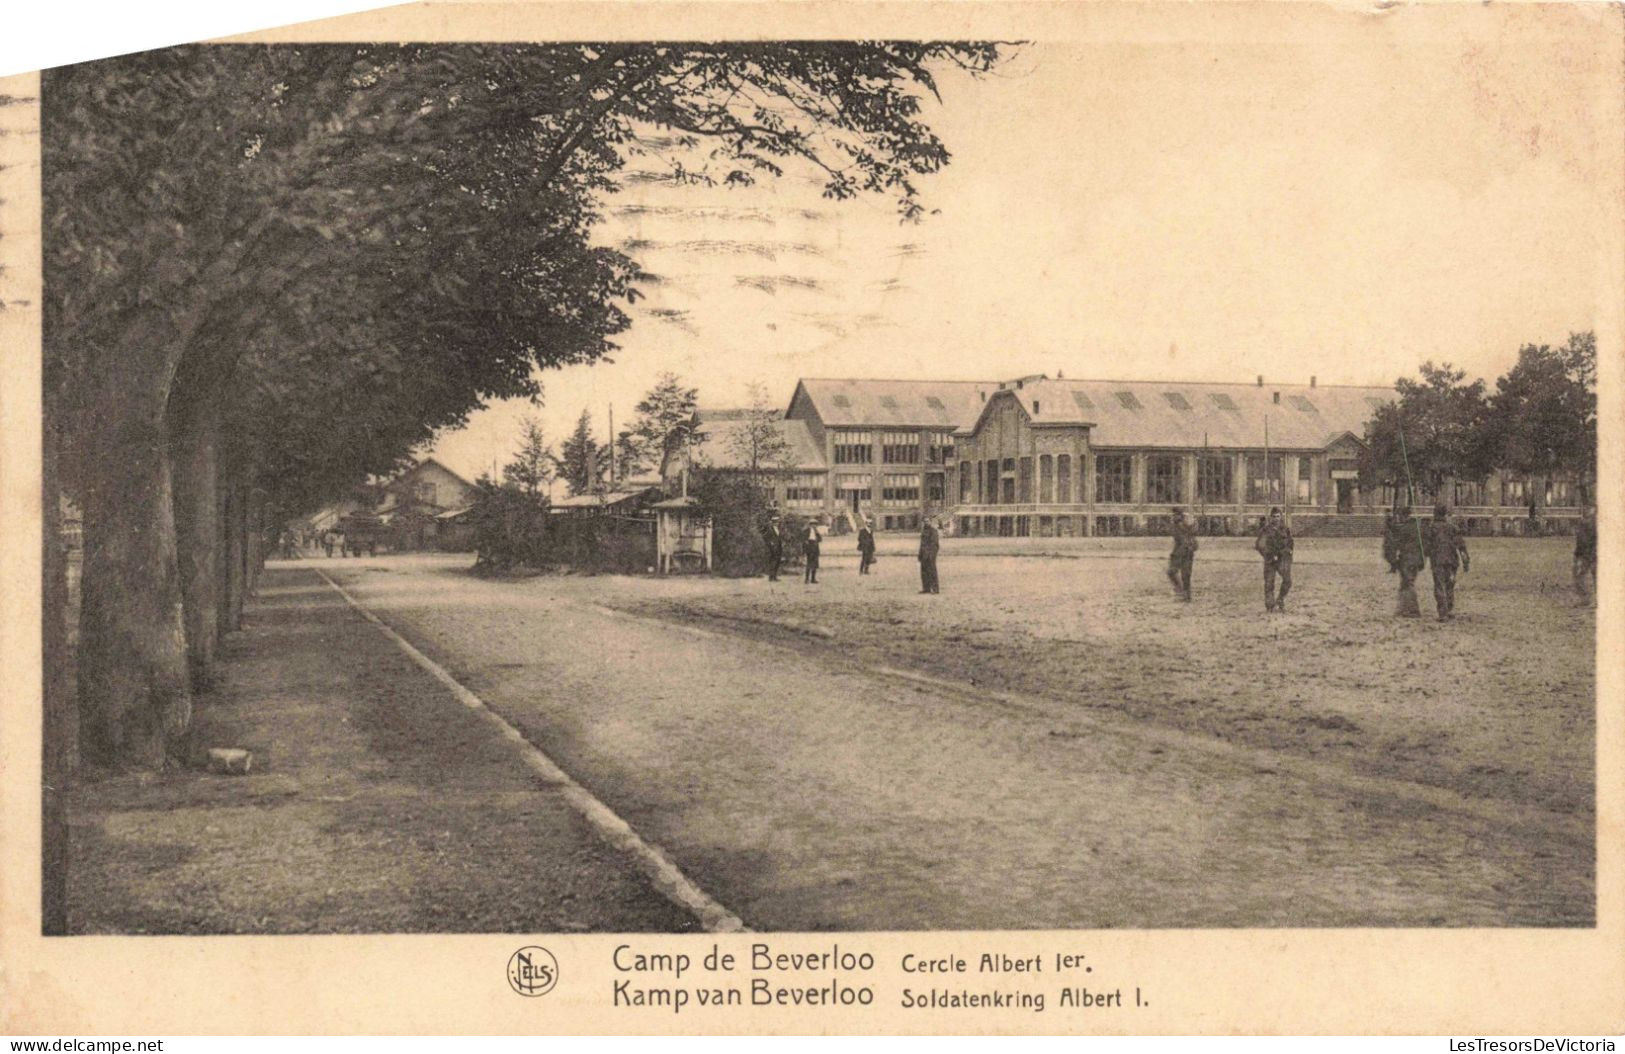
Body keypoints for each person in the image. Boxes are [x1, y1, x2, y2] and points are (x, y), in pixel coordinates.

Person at [1425, 504, 1470, 621]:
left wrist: (1425, 554)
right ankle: (1449, 610)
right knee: (1449, 585)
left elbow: (1426, 546)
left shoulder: (1432, 528)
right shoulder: (1452, 528)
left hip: (1438, 561)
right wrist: (1466, 562)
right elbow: (1461, 545)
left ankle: (1443, 613)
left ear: (1435, 514)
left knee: (1440, 586)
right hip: (1452, 561)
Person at [1254, 507, 1293, 613]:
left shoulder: (1285, 529)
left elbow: (1290, 543)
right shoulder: (1266, 530)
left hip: (1282, 560)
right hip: (1270, 561)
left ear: (1281, 517)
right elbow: (1260, 545)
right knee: (1269, 583)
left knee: (1288, 581)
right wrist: (1269, 555)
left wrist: (1289, 553)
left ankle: (1280, 599)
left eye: (1278, 516)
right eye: (1274, 517)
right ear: (1271, 518)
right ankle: (1270, 606)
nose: (1276, 519)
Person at [1390, 504, 1426, 617]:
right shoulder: (1417, 528)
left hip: (1407, 560)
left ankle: (1413, 610)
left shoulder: (1404, 528)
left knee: (1408, 583)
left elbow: (1396, 543)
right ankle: (1402, 608)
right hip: (1417, 559)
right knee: (1405, 583)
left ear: (1403, 516)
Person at [1166, 507, 1197, 601]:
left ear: (1180, 515)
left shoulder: (1185, 524)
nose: (1174, 517)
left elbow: (1191, 535)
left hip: (1186, 551)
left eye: (1176, 515)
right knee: (1172, 572)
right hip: (1179, 551)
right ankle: (1181, 591)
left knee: (1185, 575)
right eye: (1173, 515)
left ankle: (1186, 595)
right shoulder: (1175, 525)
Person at [1573, 505, 1597, 603]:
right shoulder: (1587, 523)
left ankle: (1586, 598)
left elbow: (1582, 541)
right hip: (1589, 553)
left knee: (1580, 575)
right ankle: (1588, 598)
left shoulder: (1586, 523)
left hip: (1588, 553)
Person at [918, 516, 941, 594]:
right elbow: (922, 544)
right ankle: (926, 588)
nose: (926, 523)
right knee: (924, 572)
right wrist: (920, 554)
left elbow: (935, 544)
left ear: (930, 522)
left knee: (932, 572)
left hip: (930, 555)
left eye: (927, 521)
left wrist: (931, 555)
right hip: (924, 555)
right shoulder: (924, 531)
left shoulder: (933, 531)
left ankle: (935, 589)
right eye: (925, 521)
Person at [762, 514, 785, 582]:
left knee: (777, 562)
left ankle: (774, 577)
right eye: (775, 522)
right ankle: (771, 577)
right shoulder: (770, 529)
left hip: (779, 547)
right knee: (773, 562)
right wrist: (770, 543)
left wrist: (782, 543)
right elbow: (765, 537)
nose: (776, 523)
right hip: (773, 548)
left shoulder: (778, 529)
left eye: (777, 522)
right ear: (772, 522)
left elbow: (780, 537)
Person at [802, 517, 823, 585]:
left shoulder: (816, 531)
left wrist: (817, 533)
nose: (814, 525)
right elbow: (803, 540)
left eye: (815, 524)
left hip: (815, 548)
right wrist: (805, 550)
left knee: (815, 564)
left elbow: (820, 540)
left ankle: (813, 579)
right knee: (809, 564)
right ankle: (806, 579)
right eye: (812, 524)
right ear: (810, 524)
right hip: (809, 548)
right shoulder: (806, 531)